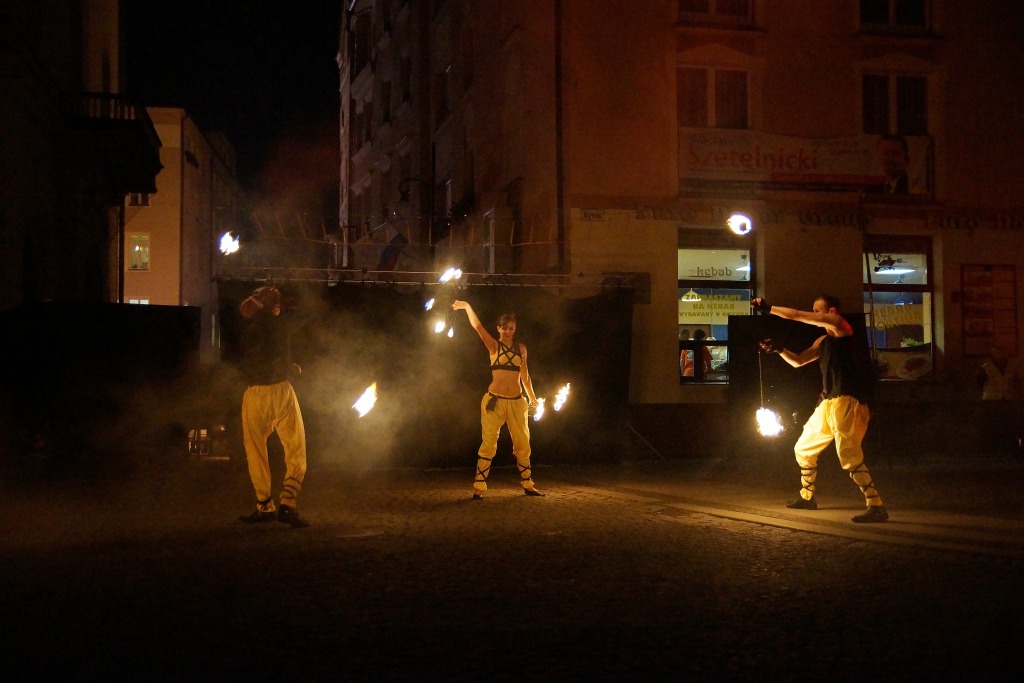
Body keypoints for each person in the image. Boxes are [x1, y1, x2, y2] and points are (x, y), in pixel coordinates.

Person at [752, 295, 888, 523]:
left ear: (831, 311)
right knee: (803, 448)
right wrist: (778, 349)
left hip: (848, 399)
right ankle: (807, 498)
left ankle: (876, 505)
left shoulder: (841, 326)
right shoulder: (822, 341)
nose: (814, 314)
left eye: (818, 311)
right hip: (827, 402)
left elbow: (798, 315)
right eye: (813, 311)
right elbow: (798, 361)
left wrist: (768, 308)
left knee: (848, 454)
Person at [451, 300, 545, 499]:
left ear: (514, 329)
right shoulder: (494, 346)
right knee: (489, 444)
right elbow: (478, 327)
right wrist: (467, 307)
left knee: (523, 444)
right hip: (494, 401)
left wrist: (533, 398)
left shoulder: (522, 349)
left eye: (511, 328)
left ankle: (528, 484)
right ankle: (479, 486)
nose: (508, 331)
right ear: (498, 328)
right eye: (504, 328)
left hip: (517, 402)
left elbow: (525, 376)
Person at [237, 285, 311, 528]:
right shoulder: (282, 325)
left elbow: (260, 357)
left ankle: (264, 505)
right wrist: (289, 368)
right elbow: (307, 314)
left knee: (255, 450)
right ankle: (287, 504)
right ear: (274, 307)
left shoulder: (249, 330)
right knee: (296, 448)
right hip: (280, 391)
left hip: (255, 393)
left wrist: (287, 366)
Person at [978, 346, 1022, 456]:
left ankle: (1009, 449)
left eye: (1003, 352)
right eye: (998, 352)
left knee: (1008, 424)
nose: (1001, 355)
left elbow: (1016, 381)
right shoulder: (986, 366)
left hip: (1007, 399)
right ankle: (989, 448)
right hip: (991, 399)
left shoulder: (1012, 366)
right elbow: (979, 382)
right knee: (991, 424)